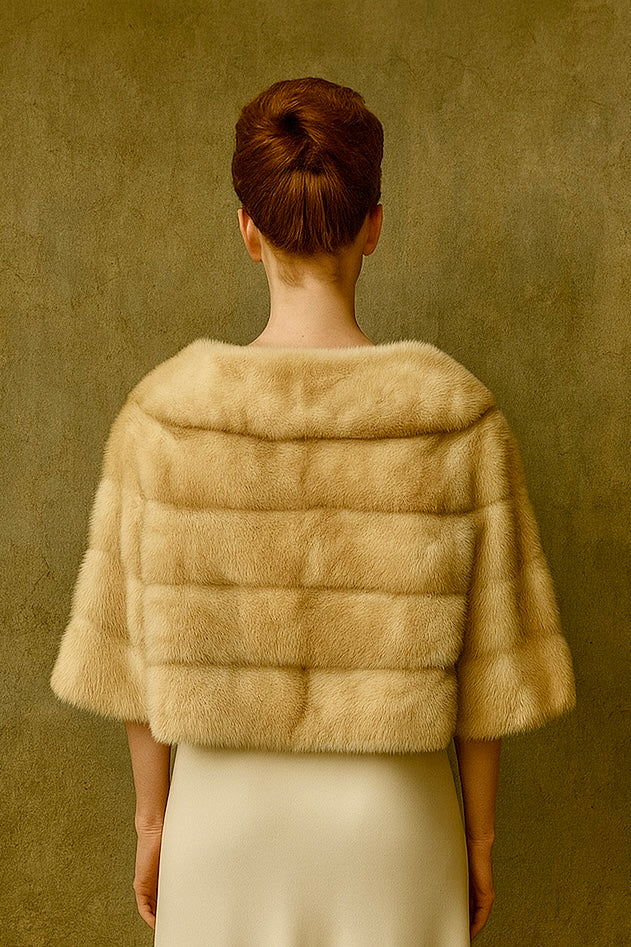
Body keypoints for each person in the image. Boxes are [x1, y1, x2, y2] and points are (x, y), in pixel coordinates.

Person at [50, 76, 577, 946]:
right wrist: (478, 842)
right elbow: (492, 678)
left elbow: (127, 665)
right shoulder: (453, 415)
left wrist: (152, 825)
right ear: (373, 224)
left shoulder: (165, 415)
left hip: (220, 823)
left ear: (247, 230)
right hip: (395, 820)